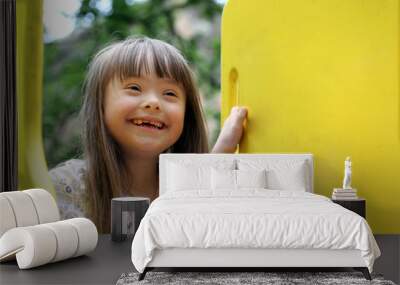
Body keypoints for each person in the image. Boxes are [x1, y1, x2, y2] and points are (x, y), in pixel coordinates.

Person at [49, 36, 247, 232]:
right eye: (134, 88)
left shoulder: (190, 188)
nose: (153, 102)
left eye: (169, 93)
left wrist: (223, 150)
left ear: (188, 116)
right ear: (100, 106)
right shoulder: (67, 186)